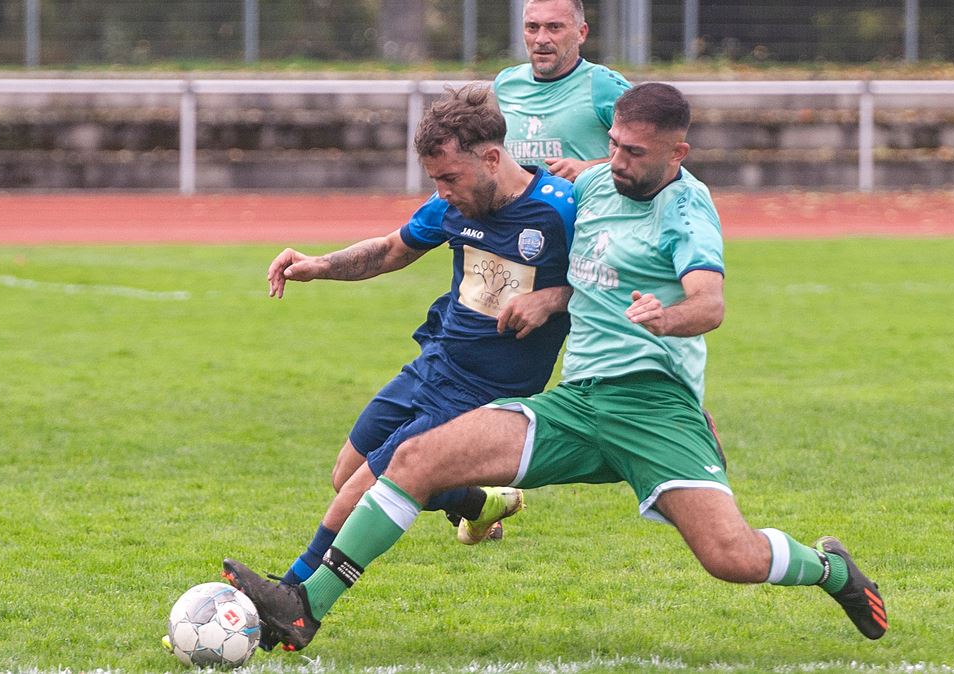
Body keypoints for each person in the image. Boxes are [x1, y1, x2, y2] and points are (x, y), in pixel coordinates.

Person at [224, 83, 889, 651]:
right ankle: (304, 607)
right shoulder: (590, 185)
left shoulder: (687, 208)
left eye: (634, 152)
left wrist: (667, 318)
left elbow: (709, 303)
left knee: (729, 557)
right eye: (614, 145)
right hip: (575, 404)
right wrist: (551, 291)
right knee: (414, 460)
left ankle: (832, 570)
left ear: (677, 154)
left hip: (651, 409)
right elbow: (533, 194)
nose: (617, 161)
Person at [241, 83, 577, 649]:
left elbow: (614, 281)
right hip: (436, 361)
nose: (442, 193)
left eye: (449, 178)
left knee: (366, 488)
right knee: (345, 474)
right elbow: (391, 249)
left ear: (491, 158)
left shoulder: (561, 210)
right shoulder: (454, 206)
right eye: (435, 180)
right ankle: (476, 501)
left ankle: (291, 595)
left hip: (486, 389)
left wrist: (553, 297)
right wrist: (318, 265)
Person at [495, 0, 631, 182]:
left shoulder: (603, 84)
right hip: (517, 202)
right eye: (532, 27)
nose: (541, 39)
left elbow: (652, 152)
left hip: (585, 201)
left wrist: (589, 169)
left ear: (581, 33)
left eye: (554, 27)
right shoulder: (505, 84)